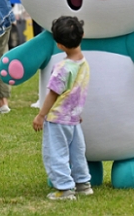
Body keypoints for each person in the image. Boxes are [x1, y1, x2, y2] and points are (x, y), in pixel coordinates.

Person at [32, 16, 92, 201]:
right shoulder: (84, 63)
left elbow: (53, 94)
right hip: (74, 118)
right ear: (82, 35)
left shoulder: (63, 68)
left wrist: (41, 115)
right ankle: (83, 184)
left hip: (58, 119)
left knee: (56, 153)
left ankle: (64, 188)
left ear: (59, 45)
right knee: (77, 152)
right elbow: (77, 90)